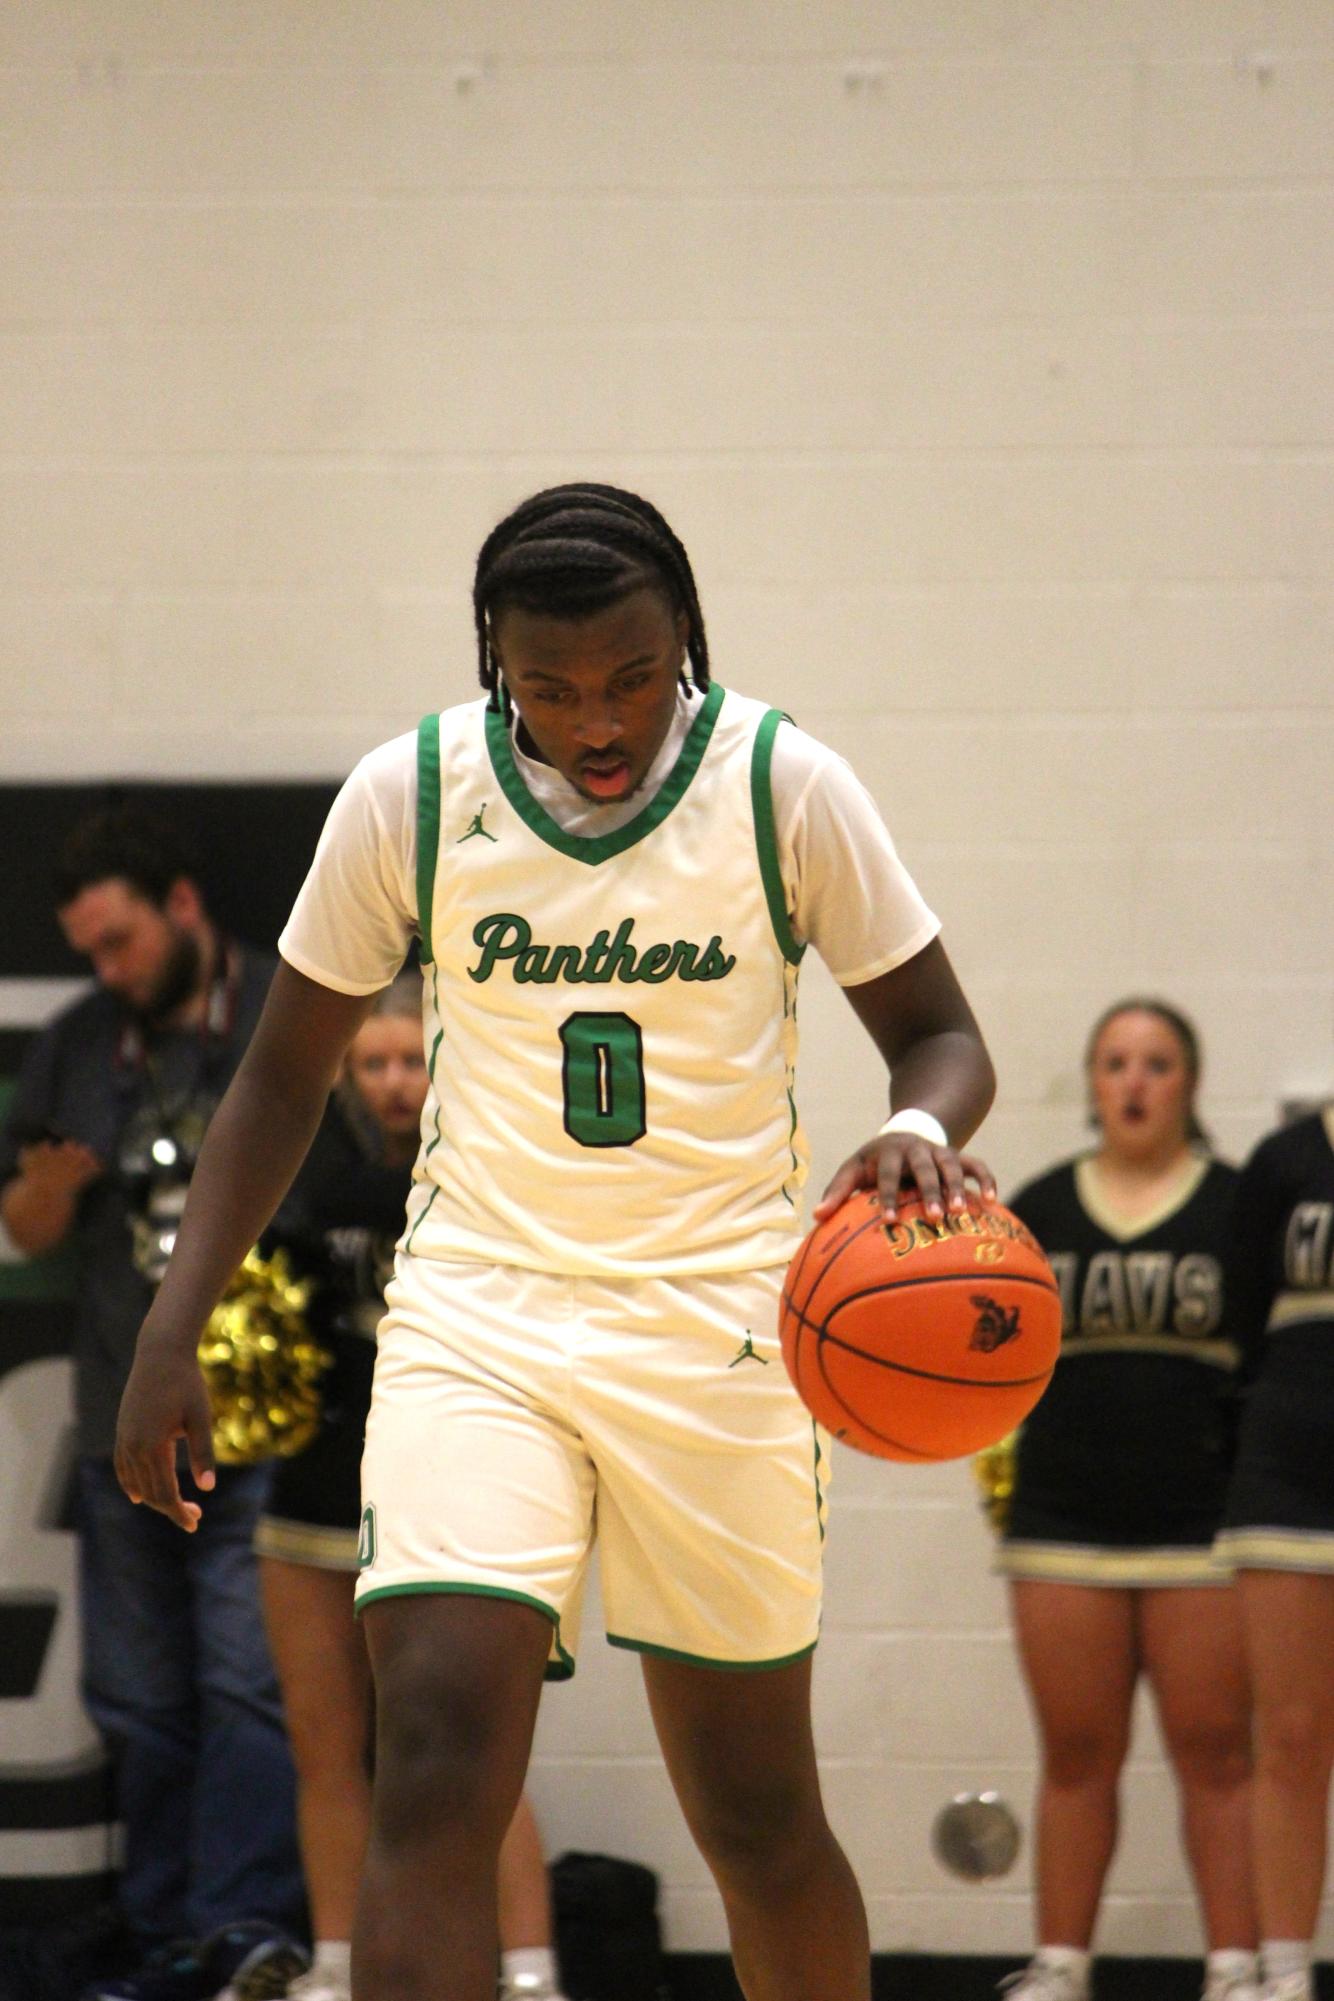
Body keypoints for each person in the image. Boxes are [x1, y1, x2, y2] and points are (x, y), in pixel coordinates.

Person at [113, 481, 997, 2001]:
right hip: (480, 1317)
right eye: (551, 687)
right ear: (492, 665)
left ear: (687, 642)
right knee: (434, 1765)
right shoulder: (413, 793)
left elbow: (939, 1037)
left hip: (716, 1325)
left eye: (633, 678)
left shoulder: (783, 782)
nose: (597, 720)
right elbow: (277, 1071)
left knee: (756, 1812)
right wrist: (172, 1317)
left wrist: (920, 1129)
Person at [0, 807, 308, 2000]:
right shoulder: (80, 1044)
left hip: (259, 1424)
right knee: (135, 1688)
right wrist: (41, 1188)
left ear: (183, 906)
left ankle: (248, 1929)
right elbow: (25, 1231)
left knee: (247, 1677)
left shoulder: (290, 1013)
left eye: (120, 941)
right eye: (89, 951)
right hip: (121, 1421)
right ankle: (164, 1934)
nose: (107, 969)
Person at [255, 977, 568, 2001]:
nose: (394, 1084)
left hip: (452, 1499)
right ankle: (338, 1966)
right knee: (327, 1747)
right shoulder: (312, 1197)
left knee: (467, 1749)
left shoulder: (501, 1188)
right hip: (317, 1493)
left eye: (412, 1060)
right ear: (346, 1076)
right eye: (372, 1064)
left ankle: (527, 1973)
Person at [994, 1001, 1256, 2001]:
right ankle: (1059, 1968)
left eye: (1154, 1063)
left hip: (1203, 1529)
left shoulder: (1237, 1207)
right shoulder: (1037, 1212)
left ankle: (1233, 1970)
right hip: (1062, 1525)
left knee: (1215, 1755)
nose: (1134, 1081)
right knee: (1072, 1756)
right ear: (1092, 1083)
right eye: (1114, 1063)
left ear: (1187, 1084)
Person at [1214, 1102, 1334, 2001]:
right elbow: (1239, 1316)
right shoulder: (1287, 1158)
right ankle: (1285, 1972)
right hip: (1290, 1471)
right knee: (1290, 1736)